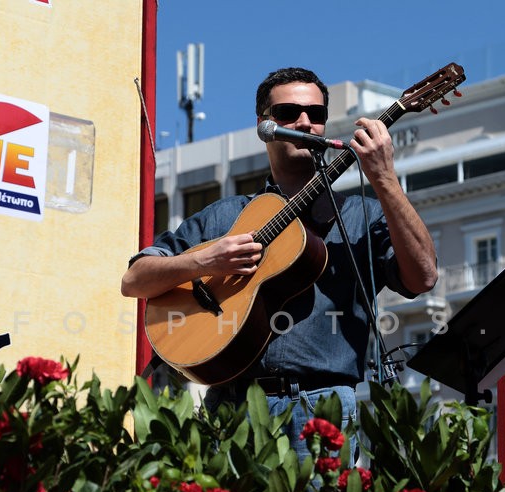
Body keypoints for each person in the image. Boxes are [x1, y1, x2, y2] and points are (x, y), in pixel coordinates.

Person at [121, 67, 437, 463]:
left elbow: (423, 276)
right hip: (232, 405)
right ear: (264, 126)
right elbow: (135, 279)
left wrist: (385, 178)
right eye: (288, 112)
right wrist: (206, 259)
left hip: (323, 409)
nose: (304, 122)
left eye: (316, 114)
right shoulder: (225, 216)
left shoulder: (362, 214)